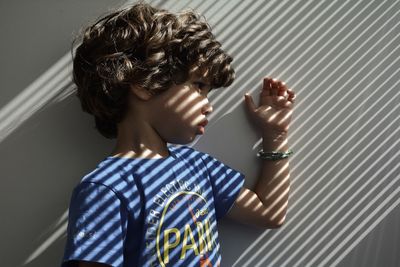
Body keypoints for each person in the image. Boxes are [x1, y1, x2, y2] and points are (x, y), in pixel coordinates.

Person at [61, 1, 296, 266]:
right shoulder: (106, 189)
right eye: (198, 85)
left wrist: (275, 134)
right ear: (144, 83)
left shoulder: (197, 166)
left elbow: (269, 212)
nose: (209, 105)